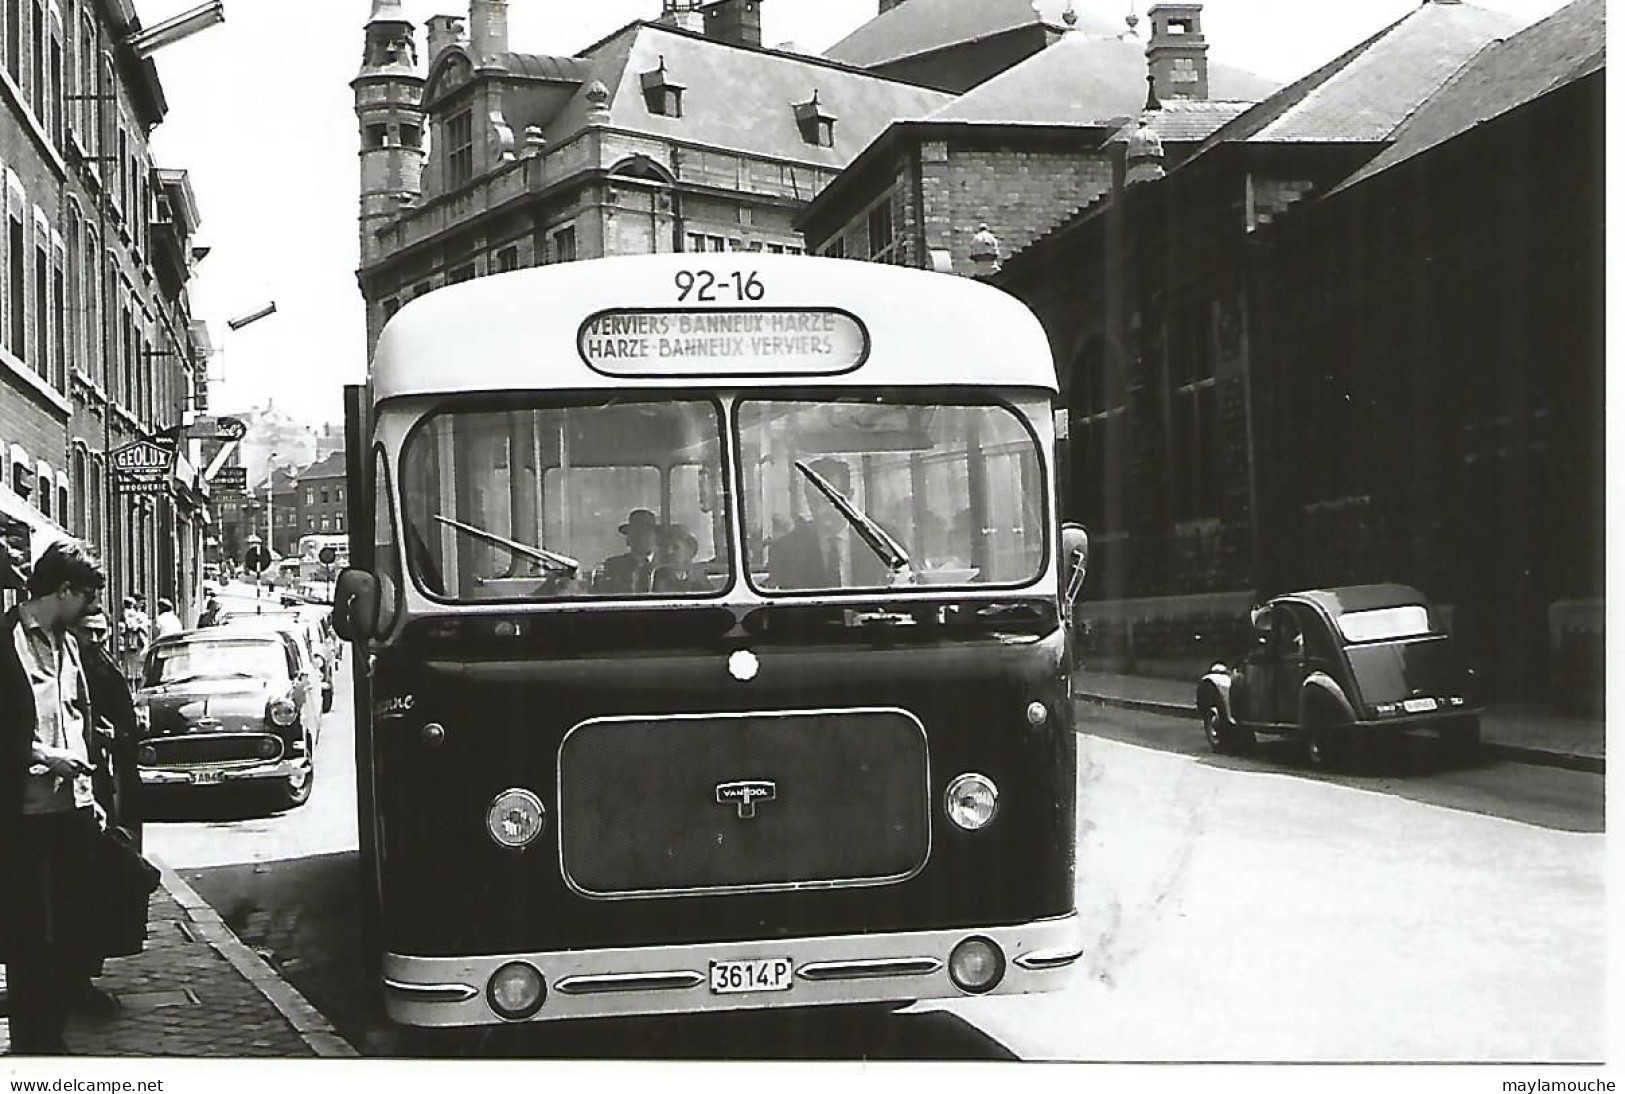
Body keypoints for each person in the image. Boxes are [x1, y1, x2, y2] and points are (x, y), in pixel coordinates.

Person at [0, 539, 108, 1054]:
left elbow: (79, 715)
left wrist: (93, 790)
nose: (91, 607)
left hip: (74, 809)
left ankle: (54, 1030)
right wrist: (45, 756)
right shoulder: (4, 643)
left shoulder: (69, 644)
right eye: (86, 595)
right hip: (22, 813)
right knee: (26, 932)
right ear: (63, 589)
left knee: (72, 926)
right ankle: (32, 1041)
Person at [768, 458, 887, 591]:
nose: (819, 511)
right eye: (813, 501)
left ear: (849, 497)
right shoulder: (785, 551)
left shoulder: (883, 544)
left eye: (827, 501)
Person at [593, 509, 661, 595]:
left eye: (645, 532)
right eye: (635, 532)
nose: (639, 537)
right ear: (628, 538)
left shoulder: (664, 566)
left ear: (655, 537)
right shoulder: (612, 567)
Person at [652, 525, 712, 594]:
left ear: (689, 551)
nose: (669, 551)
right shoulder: (661, 575)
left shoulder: (698, 575)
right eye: (666, 547)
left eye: (676, 547)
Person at [118, 597, 148, 691]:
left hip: (133, 642)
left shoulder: (128, 613)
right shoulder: (129, 613)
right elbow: (131, 625)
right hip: (132, 642)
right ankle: (133, 687)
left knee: (132, 666)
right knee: (133, 667)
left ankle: (133, 687)